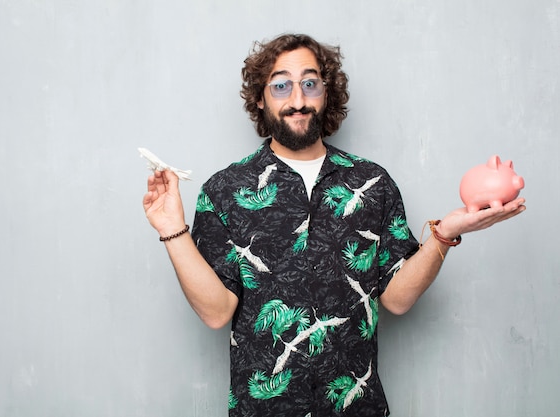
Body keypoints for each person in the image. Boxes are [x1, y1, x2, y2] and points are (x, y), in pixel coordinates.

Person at [143, 33, 526, 417]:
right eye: (281, 86)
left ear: (326, 93)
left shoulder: (373, 183)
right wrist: (171, 229)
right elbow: (216, 312)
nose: (297, 100)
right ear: (260, 98)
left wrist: (447, 231)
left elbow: (397, 298)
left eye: (310, 83)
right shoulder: (224, 191)